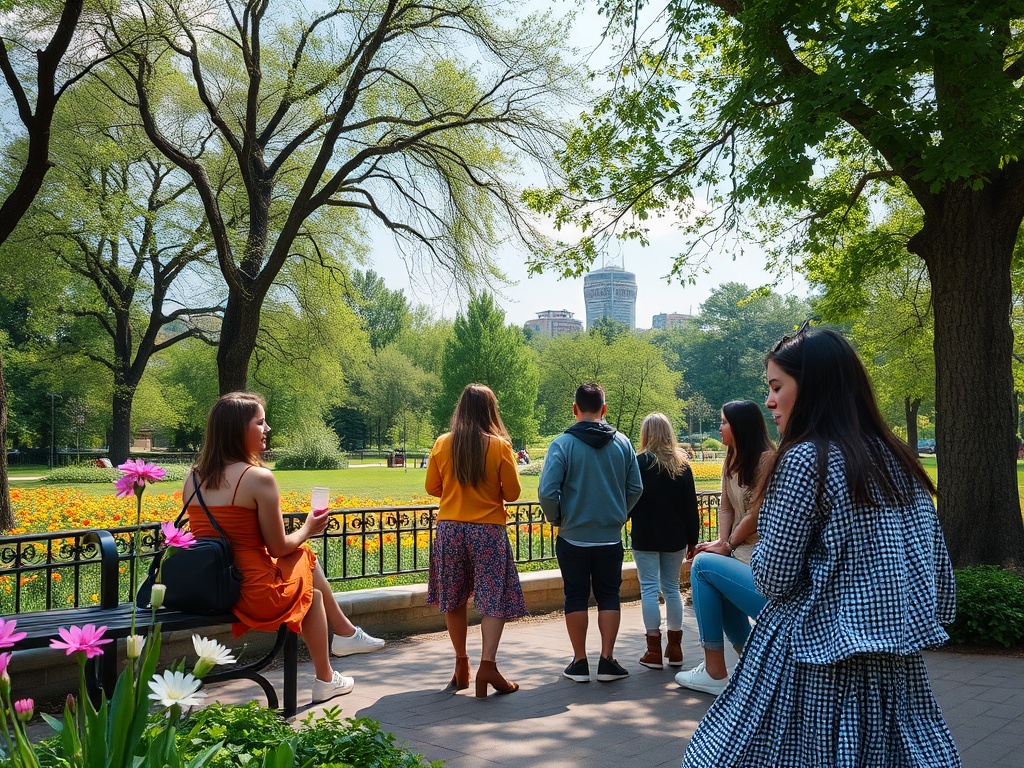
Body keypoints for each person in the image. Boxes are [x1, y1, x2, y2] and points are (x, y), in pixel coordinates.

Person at [682, 328, 960, 767]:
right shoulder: (899, 459)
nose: (770, 401)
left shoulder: (806, 458)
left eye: (777, 387)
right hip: (893, 666)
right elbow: (939, 579)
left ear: (812, 388)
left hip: (812, 659)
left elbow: (772, 576)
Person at [183, 392, 384, 705]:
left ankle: (333, 663)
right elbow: (278, 546)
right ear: (239, 430)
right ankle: (339, 647)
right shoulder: (258, 478)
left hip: (211, 587)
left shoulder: (193, 477)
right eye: (260, 422)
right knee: (302, 554)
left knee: (312, 595)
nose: (267, 428)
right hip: (253, 592)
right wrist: (308, 528)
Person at [425, 384, 526, 698]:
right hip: (487, 530)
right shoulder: (499, 446)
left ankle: (461, 666)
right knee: (493, 596)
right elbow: (512, 493)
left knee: (453, 598)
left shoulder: (442, 444)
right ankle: (488, 666)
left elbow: (432, 487)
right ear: (490, 411)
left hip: (450, 529)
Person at [538, 382, 643, 683]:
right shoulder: (623, 443)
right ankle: (608, 660)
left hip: (573, 535)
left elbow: (547, 491)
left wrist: (557, 517)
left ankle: (580, 662)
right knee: (610, 595)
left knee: (576, 596)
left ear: (575, 409)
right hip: (609, 536)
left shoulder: (563, 444)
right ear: (604, 409)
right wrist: (620, 515)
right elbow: (636, 488)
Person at [674, 400, 774, 695]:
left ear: (741, 427)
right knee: (711, 566)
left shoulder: (768, 459)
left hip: (761, 562)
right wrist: (721, 543)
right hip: (741, 554)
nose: (720, 427)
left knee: (703, 566)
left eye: (724, 422)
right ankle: (754, 668)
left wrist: (728, 545)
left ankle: (714, 670)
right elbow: (727, 507)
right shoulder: (732, 459)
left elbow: (755, 514)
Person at [629, 413, 699, 670]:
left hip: (645, 534)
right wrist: (693, 540)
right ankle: (676, 647)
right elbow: (690, 507)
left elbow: (631, 498)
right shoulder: (682, 464)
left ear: (646, 434)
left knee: (648, 589)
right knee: (671, 588)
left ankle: (653, 650)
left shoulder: (638, 463)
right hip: (675, 535)